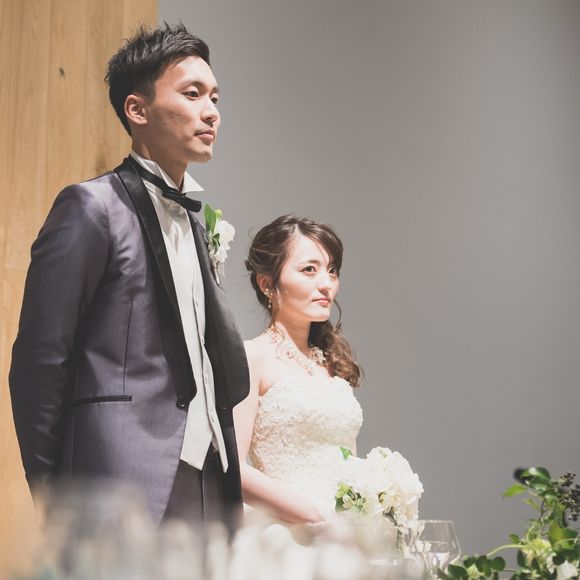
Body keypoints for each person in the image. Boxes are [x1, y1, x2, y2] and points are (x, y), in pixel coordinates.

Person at [9, 23, 249, 530]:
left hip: (210, 476)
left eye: (214, 97)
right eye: (192, 94)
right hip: (117, 483)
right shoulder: (91, 207)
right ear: (137, 110)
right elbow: (39, 361)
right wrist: (55, 500)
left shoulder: (196, 223)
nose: (211, 111)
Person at [234, 215, 363, 524]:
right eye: (309, 270)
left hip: (344, 534)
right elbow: (233, 469)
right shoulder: (253, 357)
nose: (327, 284)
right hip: (288, 532)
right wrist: (313, 517)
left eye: (332, 271)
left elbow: (351, 464)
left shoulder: (332, 364)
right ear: (267, 283)